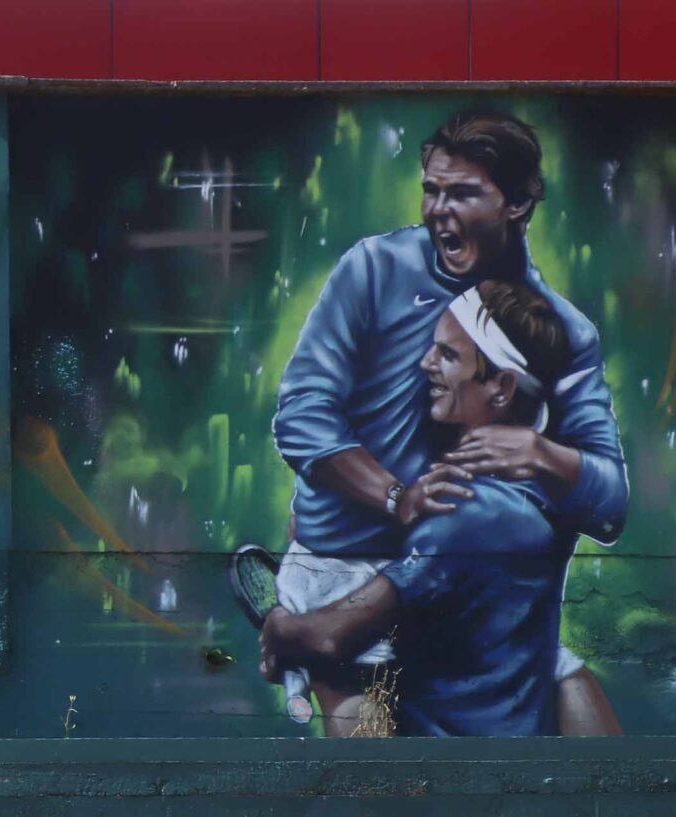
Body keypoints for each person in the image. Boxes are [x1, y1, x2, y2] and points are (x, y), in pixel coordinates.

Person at [269, 110, 624, 737]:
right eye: (432, 189)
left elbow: (610, 503)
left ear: (517, 202)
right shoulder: (373, 270)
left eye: (462, 193)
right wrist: (392, 495)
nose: (439, 209)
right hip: (355, 566)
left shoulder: (560, 330)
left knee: (566, 686)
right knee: (372, 747)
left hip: (475, 578)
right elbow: (303, 414)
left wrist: (539, 453)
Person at [259, 282, 578, 736]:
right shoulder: (541, 493)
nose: (427, 363)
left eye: (448, 355)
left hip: (448, 781)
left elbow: (331, 636)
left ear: (502, 387)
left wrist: (281, 626)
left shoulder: (464, 513)